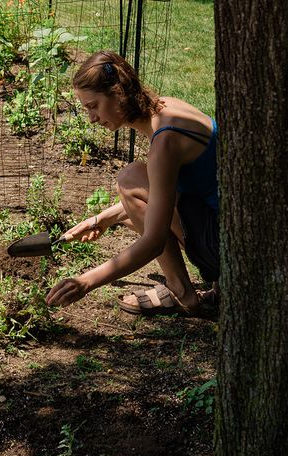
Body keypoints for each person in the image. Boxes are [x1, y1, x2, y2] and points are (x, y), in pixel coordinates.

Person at [45, 51, 219, 316]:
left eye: (93, 106)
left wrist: (85, 282)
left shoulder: (165, 142)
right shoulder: (168, 108)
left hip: (222, 247)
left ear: (118, 93)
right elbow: (159, 194)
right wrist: (99, 220)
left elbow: (154, 242)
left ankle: (182, 293)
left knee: (130, 179)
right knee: (130, 203)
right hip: (228, 233)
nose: (91, 118)